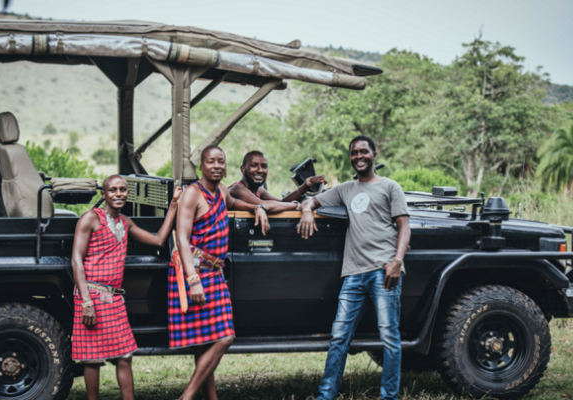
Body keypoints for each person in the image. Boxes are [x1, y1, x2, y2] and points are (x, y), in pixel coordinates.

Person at [298, 136, 411, 400]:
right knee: (339, 337)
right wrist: (306, 210)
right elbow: (312, 201)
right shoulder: (345, 189)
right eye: (354, 153)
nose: (358, 156)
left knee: (389, 337)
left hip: (384, 272)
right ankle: (326, 395)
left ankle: (389, 396)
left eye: (363, 151)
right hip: (353, 275)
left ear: (374, 154)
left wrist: (397, 262)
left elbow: (404, 227)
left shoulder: (390, 186)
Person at [170, 145, 270, 400]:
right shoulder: (193, 194)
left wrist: (258, 207)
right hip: (195, 272)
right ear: (201, 167)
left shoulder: (222, 192)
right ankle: (187, 397)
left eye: (221, 161)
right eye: (211, 161)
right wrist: (193, 281)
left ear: (226, 167)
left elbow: (238, 202)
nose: (216, 166)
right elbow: (181, 239)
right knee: (225, 338)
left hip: (214, 272)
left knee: (208, 341)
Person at [72, 175, 181, 400]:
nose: (119, 194)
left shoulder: (125, 222)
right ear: (103, 195)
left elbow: (159, 240)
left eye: (123, 189)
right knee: (92, 359)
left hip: (114, 299)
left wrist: (173, 206)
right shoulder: (90, 219)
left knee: (124, 356)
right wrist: (87, 302)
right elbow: (76, 260)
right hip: (91, 295)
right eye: (113, 190)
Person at [228, 150, 327, 211]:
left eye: (264, 166)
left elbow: (283, 202)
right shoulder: (237, 189)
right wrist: (297, 206)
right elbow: (262, 205)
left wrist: (307, 184)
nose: (259, 170)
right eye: (253, 166)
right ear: (243, 169)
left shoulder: (258, 190)